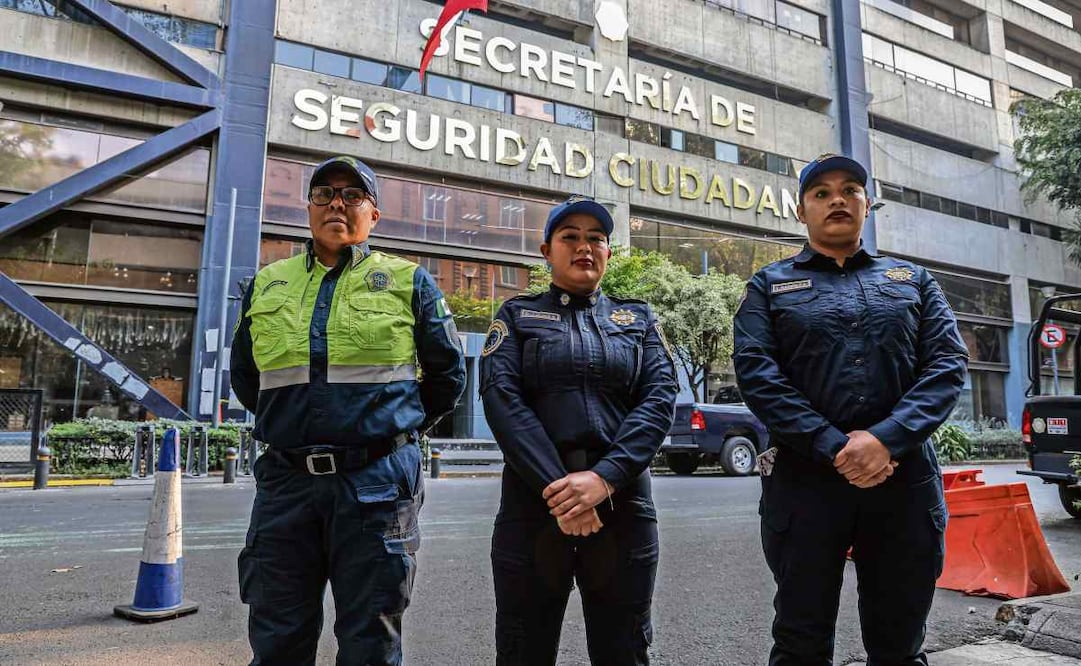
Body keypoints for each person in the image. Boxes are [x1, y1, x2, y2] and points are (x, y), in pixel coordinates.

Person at [732, 153, 969, 666]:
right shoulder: (767, 287)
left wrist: (885, 439)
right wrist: (836, 446)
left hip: (903, 480)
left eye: (849, 190)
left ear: (867, 204)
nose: (837, 199)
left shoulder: (913, 281)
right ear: (801, 212)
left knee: (900, 642)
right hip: (805, 482)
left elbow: (947, 366)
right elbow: (757, 375)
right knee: (800, 639)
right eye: (821, 193)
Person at [231, 155, 466, 666]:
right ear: (309, 207)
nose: (337, 203)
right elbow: (248, 380)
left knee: (370, 641)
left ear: (373, 215)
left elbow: (448, 377)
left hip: (377, 482)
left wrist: (389, 429)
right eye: (324, 193)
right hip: (286, 485)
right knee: (276, 636)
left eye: (352, 195)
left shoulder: (409, 282)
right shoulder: (267, 284)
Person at [481, 195, 678, 666]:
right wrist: (562, 491)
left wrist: (604, 478)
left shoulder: (638, 318)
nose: (584, 246)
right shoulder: (517, 316)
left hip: (623, 507)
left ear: (609, 252)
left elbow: (658, 399)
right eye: (570, 237)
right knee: (522, 649)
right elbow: (503, 402)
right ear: (546, 250)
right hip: (533, 510)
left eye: (597, 238)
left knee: (625, 650)